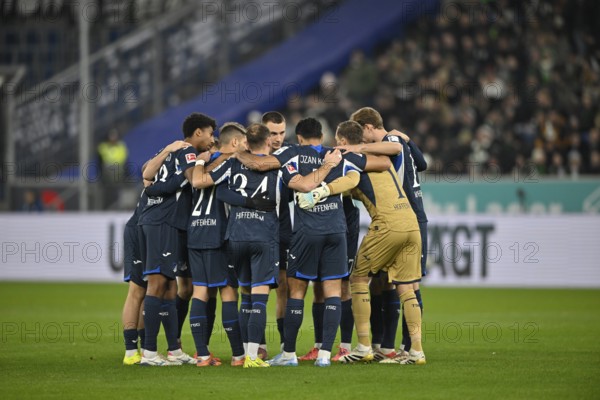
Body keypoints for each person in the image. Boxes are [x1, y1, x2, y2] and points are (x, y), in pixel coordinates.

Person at [235, 117, 392, 367]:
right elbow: (384, 162)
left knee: (296, 291)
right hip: (336, 231)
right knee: (333, 292)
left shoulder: (291, 153)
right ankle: (325, 356)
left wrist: (239, 153)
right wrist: (356, 149)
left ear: (298, 137)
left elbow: (259, 164)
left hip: (307, 231)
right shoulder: (339, 153)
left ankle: (288, 355)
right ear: (322, 136)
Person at [325, 120, 426, 365]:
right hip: (411, 223)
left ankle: (363, 347)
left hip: (387, 225)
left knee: (358, 279)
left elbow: (349, 182)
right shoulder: (382, 157)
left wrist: (322, 189)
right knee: (407, 288)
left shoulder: (354, 159)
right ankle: (417, 352)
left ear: (341, 141)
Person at [193, 123, 283, 368]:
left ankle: (241, 352)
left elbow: (215, 190)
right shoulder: (279, 163)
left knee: (244, 294)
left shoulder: (232, 163)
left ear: (247, 142)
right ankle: (253, 356)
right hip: (264, 236)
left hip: (236, 236)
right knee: (260, 298)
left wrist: (201, 162)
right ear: (267, 141)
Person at [138, 112, 215, 366]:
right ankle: (149, 351)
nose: (212, 139)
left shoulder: (171, 150)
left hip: (161, 220)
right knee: (158, 284)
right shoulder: (189, 152)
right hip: (163, 221)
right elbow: (193, 179)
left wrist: (154, 188)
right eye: (210, 134)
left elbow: (146, 174)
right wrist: (204, 162)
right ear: (198, 133)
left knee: (171, 286)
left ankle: (174, 349)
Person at [351, 107, 428, 360]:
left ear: (369, 126)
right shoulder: (398, 139)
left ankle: (407, 347)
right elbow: (423, 164)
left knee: (407, 284)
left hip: (404, 215)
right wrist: (409, 140)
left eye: (361, 133)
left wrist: (355, 150)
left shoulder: (390, 141)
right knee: (385, 283)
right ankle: (386, 345)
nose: (360, 140)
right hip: (410, 215)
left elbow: (392, 152)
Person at [186, 122, 248, 367]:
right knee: (228, 292)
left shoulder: (204, 162)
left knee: (199, 291)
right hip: (218, 234)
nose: (246, 147)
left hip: (196, 232)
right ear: (234, 143)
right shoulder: (229, 163)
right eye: (243, 142)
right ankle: (238, 355)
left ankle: (202, 355)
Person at [97, 129, 128, 209]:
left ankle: (117, 207)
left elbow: (125, 162)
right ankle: (106, 207)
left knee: (118, 193)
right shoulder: (103, 147)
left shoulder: (121, 146)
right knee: (107, 194)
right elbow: (99, 163)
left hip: (119, 174)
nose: (113, 139)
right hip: (107, 175)